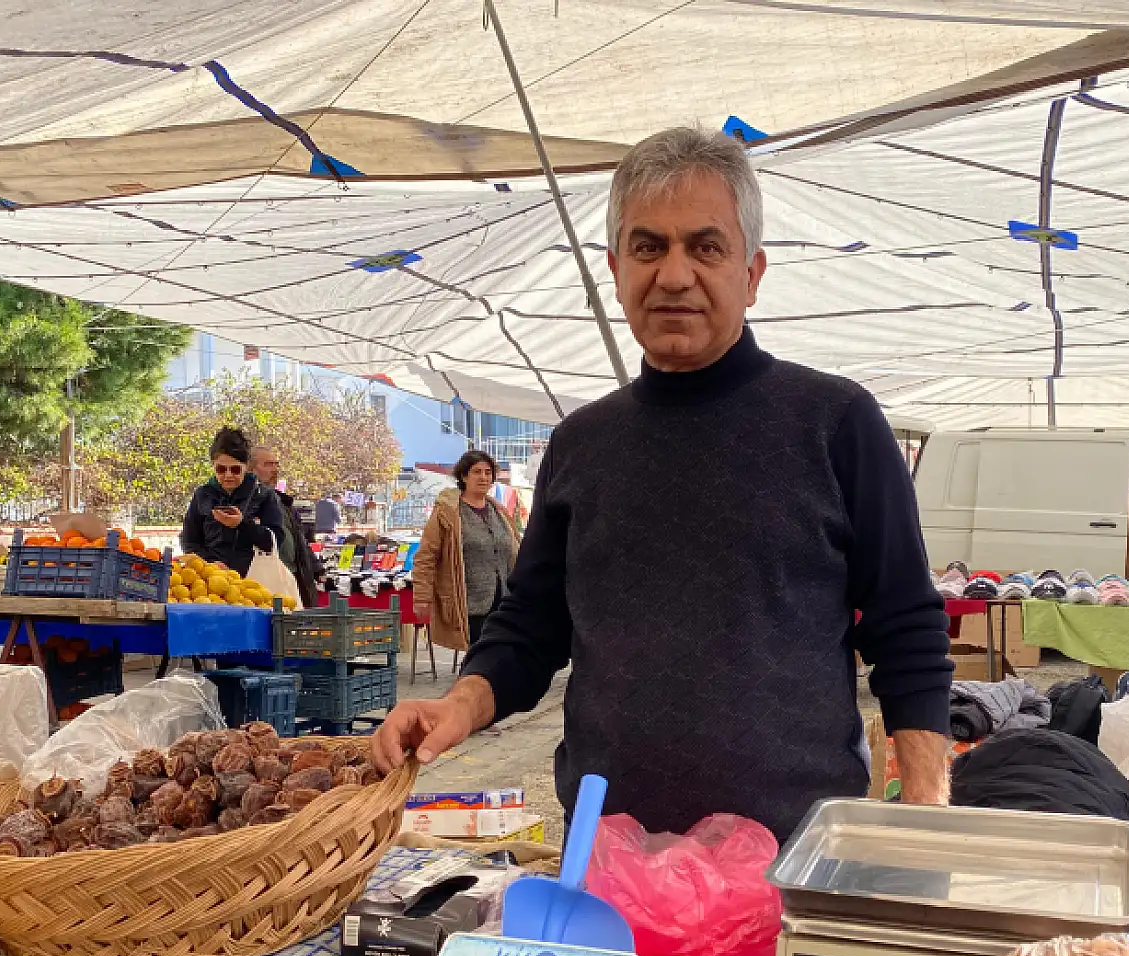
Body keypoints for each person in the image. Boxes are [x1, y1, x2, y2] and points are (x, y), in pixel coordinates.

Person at [372, 127, 951, 842]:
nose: (674, 275)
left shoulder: (836, 424)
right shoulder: (583, 444)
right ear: (616, 269)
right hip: (612, 854)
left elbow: (906, 627)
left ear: (753, 272)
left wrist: (926, 803)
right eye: (649, 247)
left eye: (706, 246)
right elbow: (532, 626)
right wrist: (459, 703)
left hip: (790, 854)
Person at [410, 449, 520, 654]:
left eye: (488, 473)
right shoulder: (448, 512)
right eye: (477, 472)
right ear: (463, 476)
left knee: (502, 657)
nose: (483, 477)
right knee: (478, 657)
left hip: (504, 602)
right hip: (469, 602)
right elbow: (426, 556)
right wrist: (422, 597)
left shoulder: (500, 512)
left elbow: (515, 550)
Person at [180, 426, 285, 576]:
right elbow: (189, 541)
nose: (228, 475)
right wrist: (208, 563)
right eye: (221, 470)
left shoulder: (264, 496)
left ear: (246, 467)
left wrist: (242, 525)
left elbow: (275, 542)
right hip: (211, 581)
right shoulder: (203, 494)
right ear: (213, 466)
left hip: (253, 582)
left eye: (235, 470)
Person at [250, 445, 320, 607]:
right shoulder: (248, 502)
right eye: (268, 464)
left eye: (276, 464)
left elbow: (300, 541)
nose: (274, 469)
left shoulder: (285, 503)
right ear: (250, 469)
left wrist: (317, 568)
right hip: (264, 578)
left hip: (293, 576)